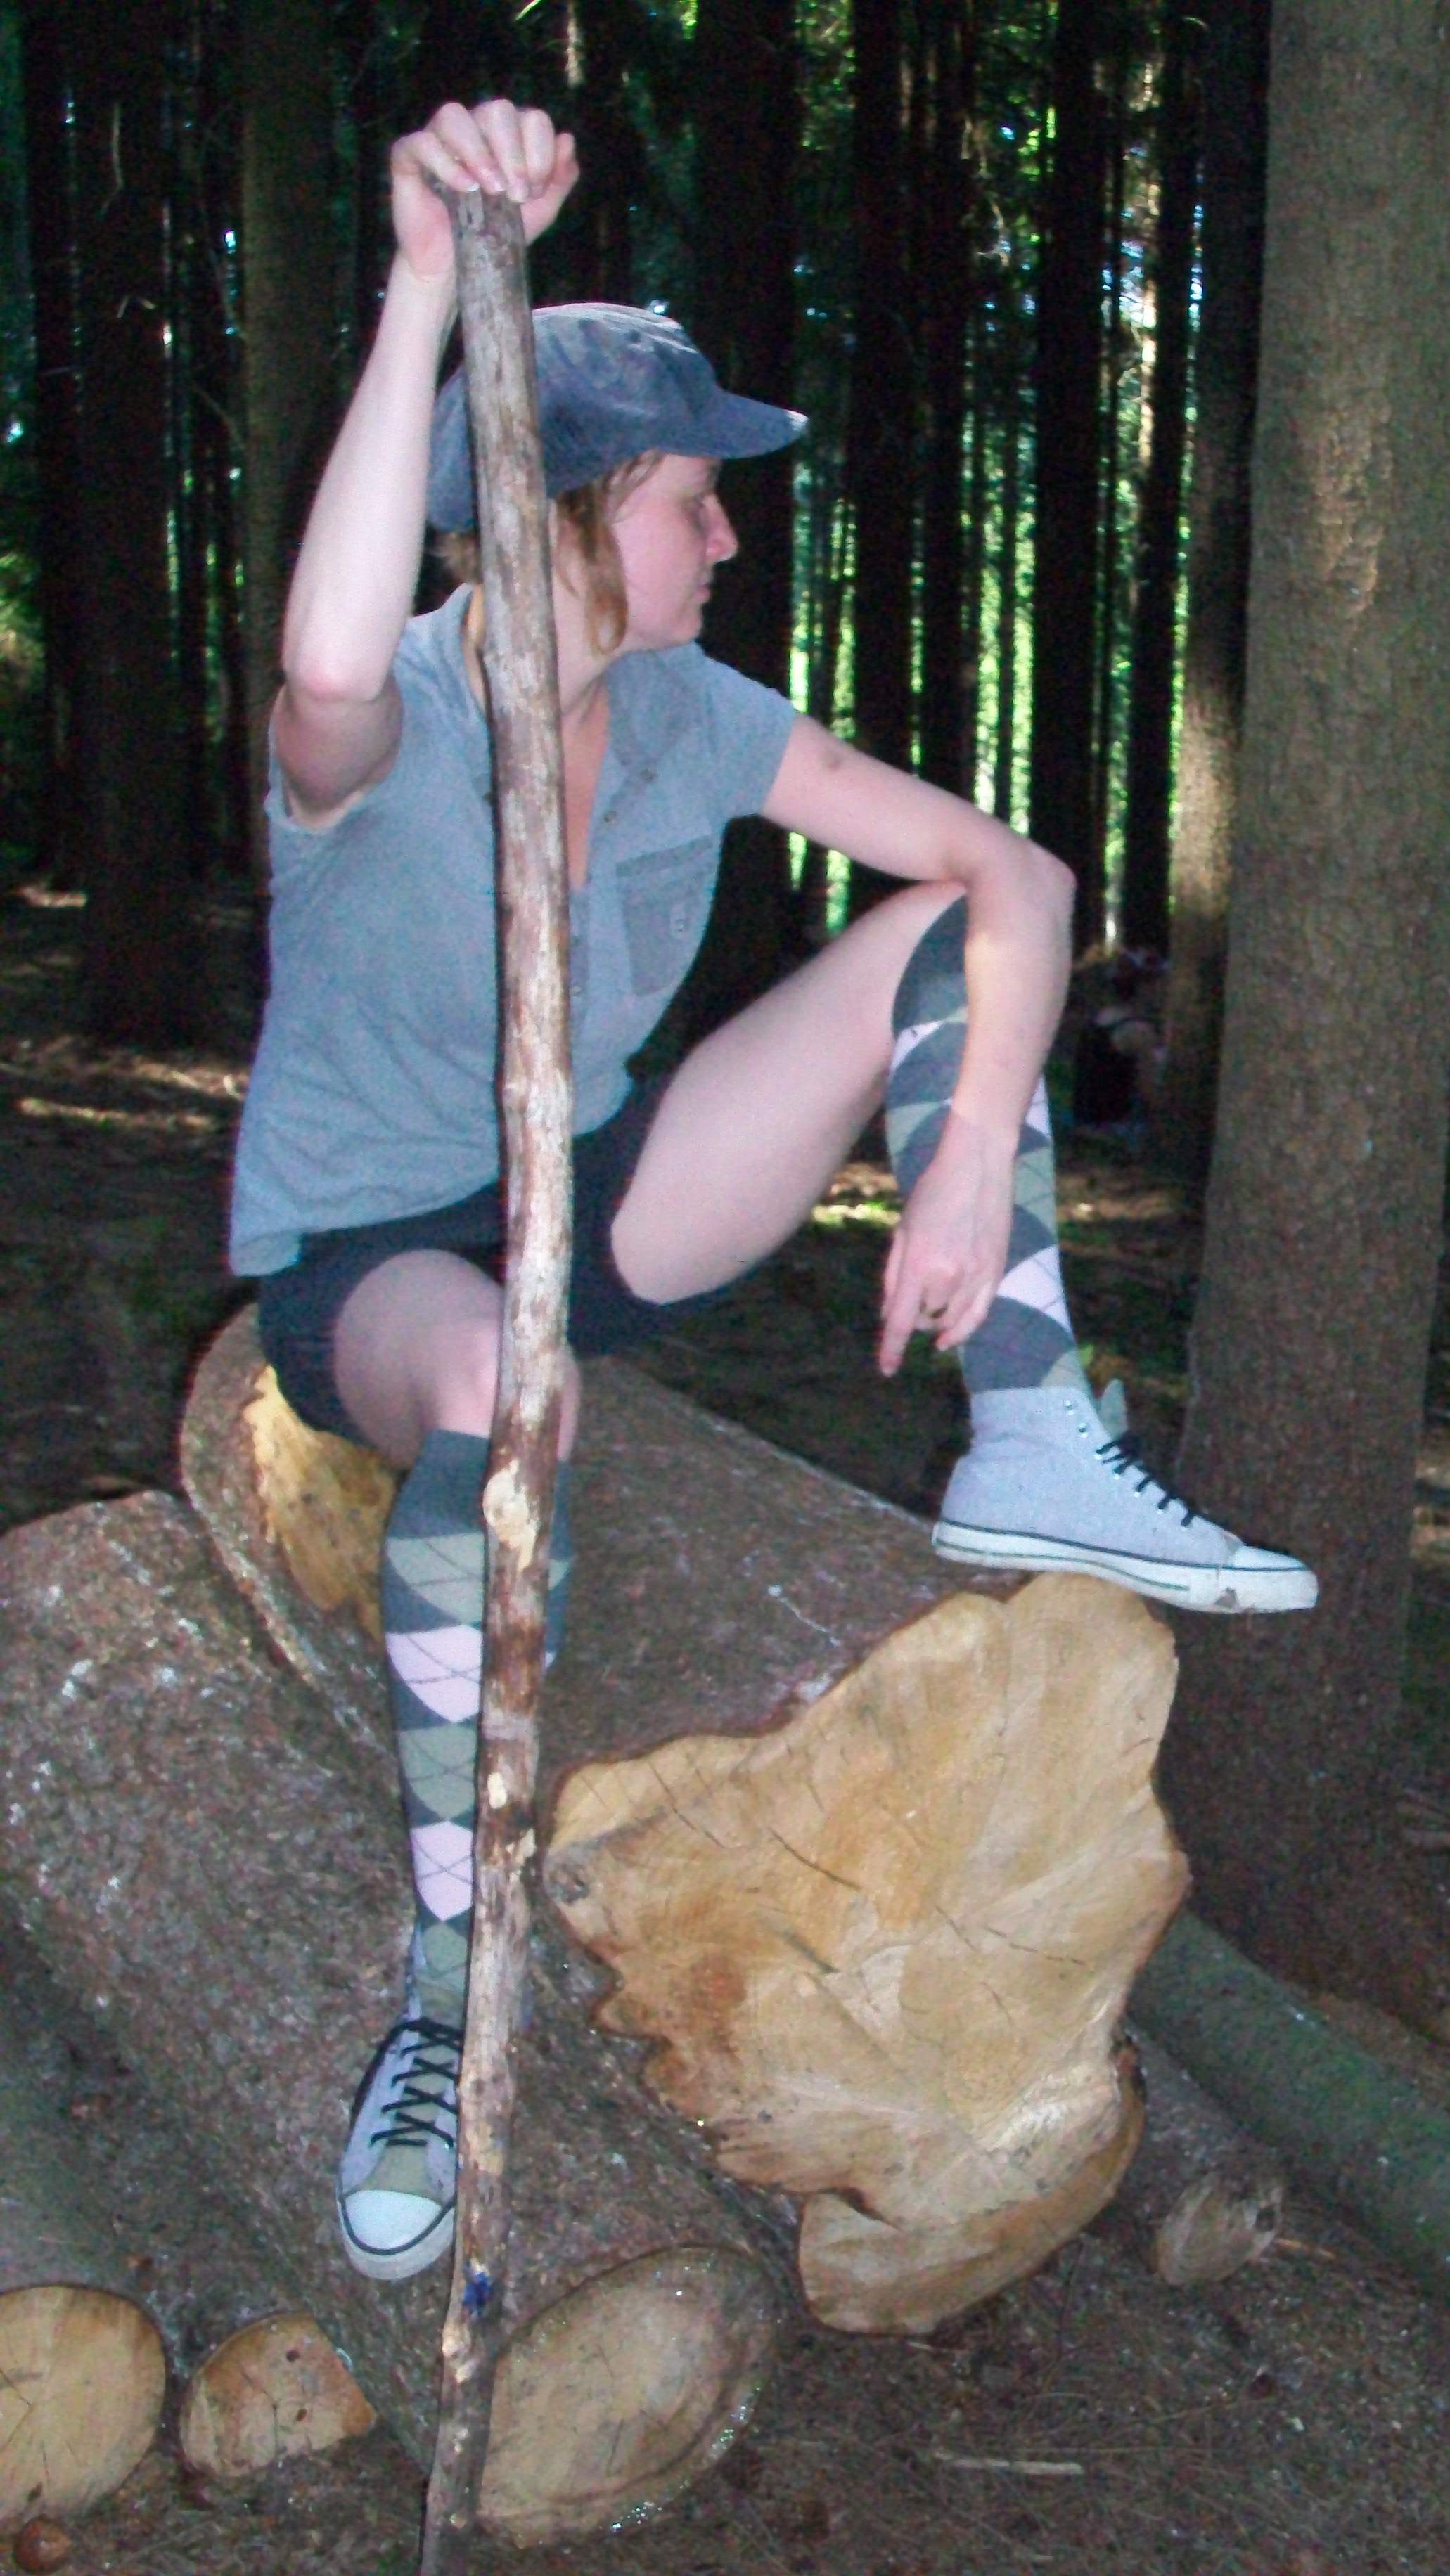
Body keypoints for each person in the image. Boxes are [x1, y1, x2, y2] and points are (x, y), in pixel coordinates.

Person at [229, 98, 1316, 2286]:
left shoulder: (692, 712)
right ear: (567, 511)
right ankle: (447, 1999)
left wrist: (966, 1166)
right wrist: (430, 279)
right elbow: (323, 669)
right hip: (381, 1260)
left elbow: (1014, 878)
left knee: (948, 939)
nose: (729, 539)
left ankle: (1035, 1434)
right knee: (490, 1393)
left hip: (609, 1202)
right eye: (693, 501)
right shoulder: (393, 728)